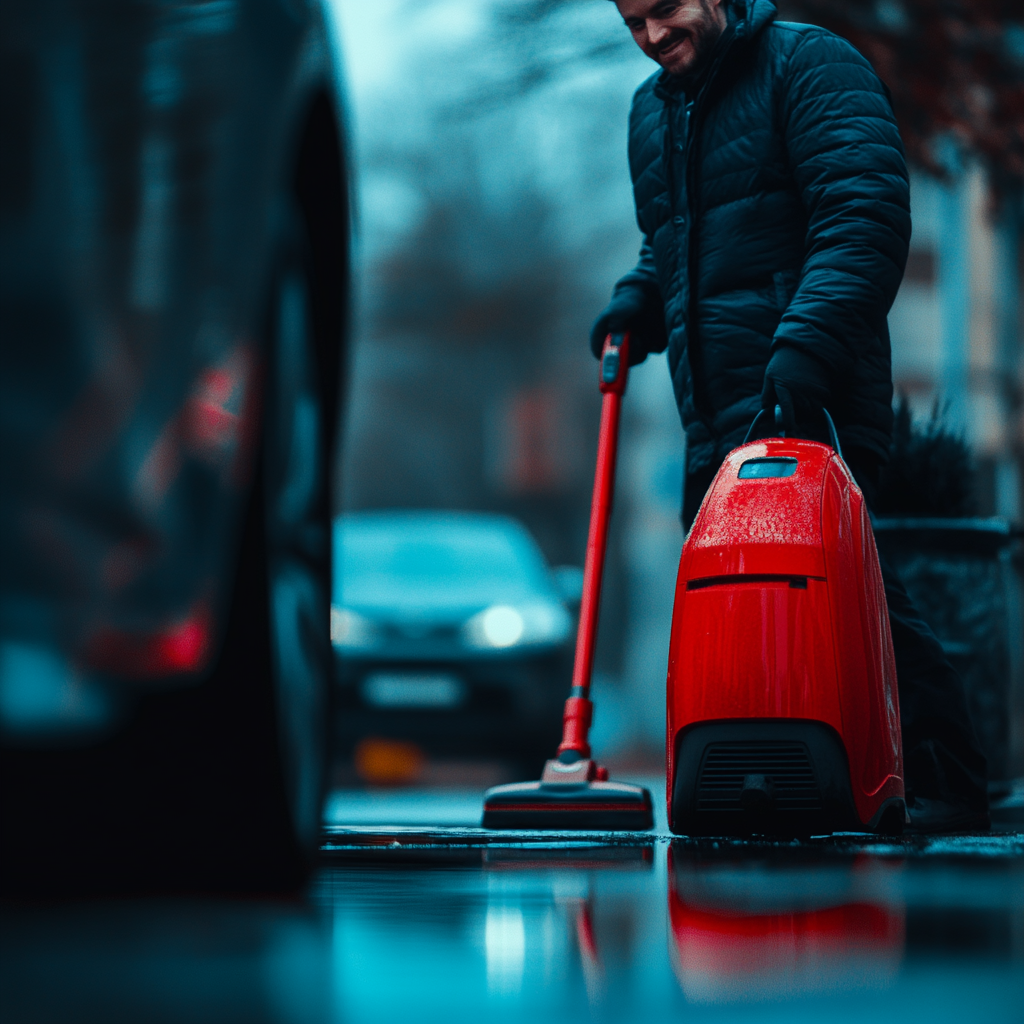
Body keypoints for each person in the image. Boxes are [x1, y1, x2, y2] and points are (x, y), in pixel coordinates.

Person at [593, 0, 989, 831]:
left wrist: (806, 349)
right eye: (633, 22)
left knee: (855, 596)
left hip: (811, 395)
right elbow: (673, 243)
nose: (652, 35)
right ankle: (766, 783)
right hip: (714, 415)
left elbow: (864, 217)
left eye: (664, 10)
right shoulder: (652, 111)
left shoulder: (810, 66)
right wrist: (637, 304)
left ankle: (947, 786)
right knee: (748, 612)